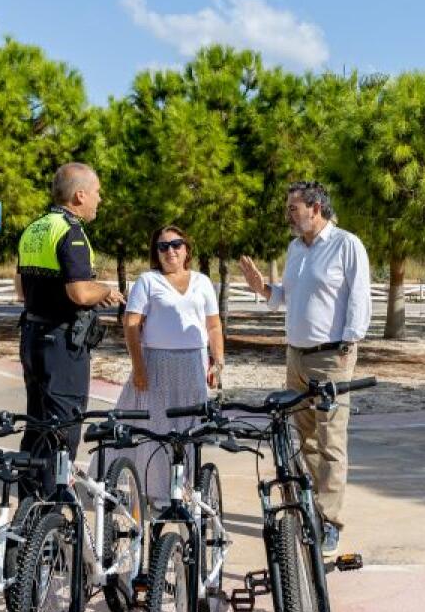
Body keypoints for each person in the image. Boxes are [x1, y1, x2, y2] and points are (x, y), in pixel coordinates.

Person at [239, 181, 371, 556]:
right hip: (295, 355)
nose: (289, 215)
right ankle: (311, 506)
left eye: (294, 208)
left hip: (332, 357)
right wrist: (262, 288)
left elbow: (359, 298)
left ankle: (330, 522)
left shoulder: (347, 245)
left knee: (331, 441)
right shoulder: (296, 248)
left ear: (315, 208)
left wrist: (348, 344)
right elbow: (285, 297)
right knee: (304, 436)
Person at [17, 162, 124, 486]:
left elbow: (21, 289)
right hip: (62, 344)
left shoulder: (34, 228)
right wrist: (105, 291)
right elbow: (79, 291)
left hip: (32, 337)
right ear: (79, 195)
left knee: (36, 426)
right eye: (97, 193)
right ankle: (52, 510)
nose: (100, 200)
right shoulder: (71, 232)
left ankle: (30, 510)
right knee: (62, 428)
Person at [116, 225, 224, 507]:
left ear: (186, 249)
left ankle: (184, 487)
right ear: (156, 252)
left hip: (193, 363)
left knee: (190, 427)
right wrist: (139, 368)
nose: (170, 251)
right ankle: (158, 493)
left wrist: (218, 360)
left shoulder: (202, 282)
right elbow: (131, 324)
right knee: (159, 428)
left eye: (176, 244)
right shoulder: (148, 281)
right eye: (162, 247)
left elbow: (213, 325)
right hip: (157, 362)